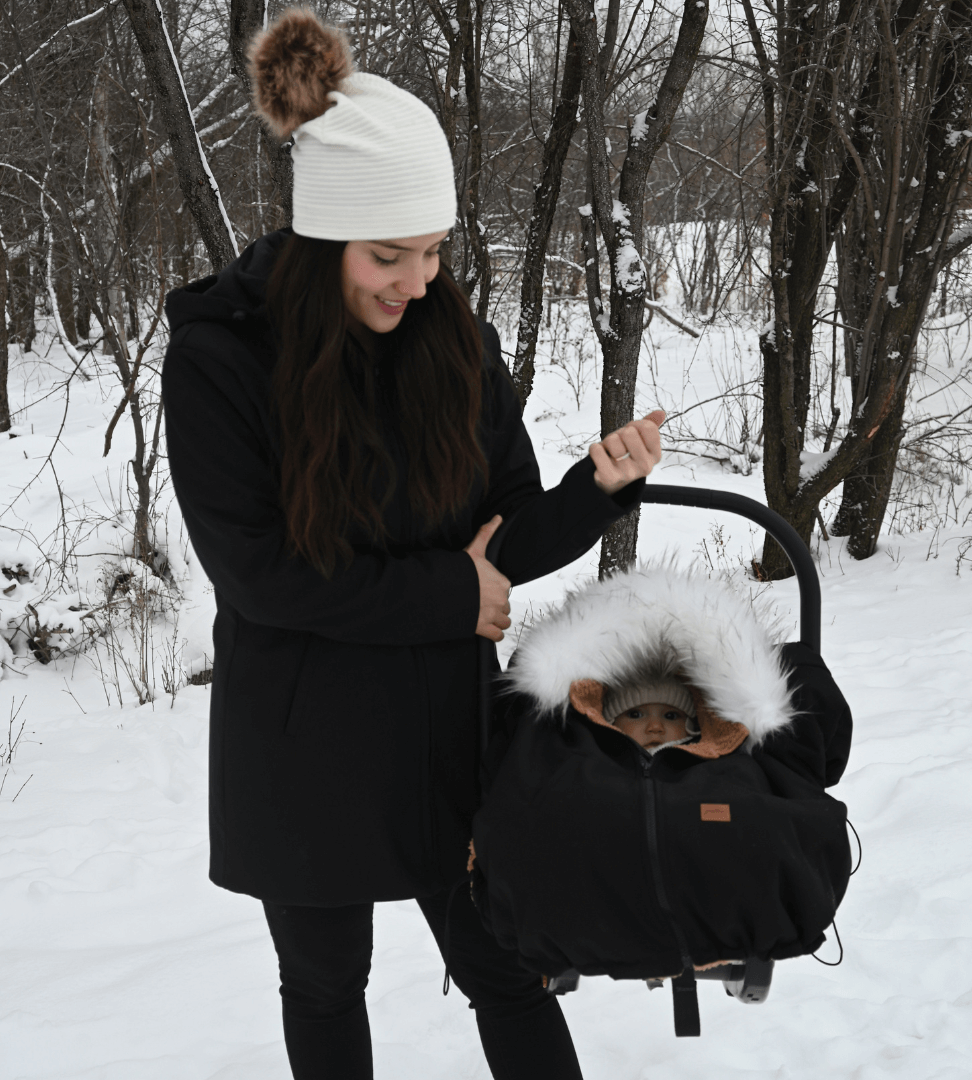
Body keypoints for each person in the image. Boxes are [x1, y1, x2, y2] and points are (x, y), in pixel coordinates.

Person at [160, 9, 667, 1079]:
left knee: (509, 967)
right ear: (319, 240)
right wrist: (452, 595)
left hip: (444, 735)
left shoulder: (455, 343)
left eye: (434, 249)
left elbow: (507, 537)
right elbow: (260, 574)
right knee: (325, 983)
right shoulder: (224, 359)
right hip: (299, 744)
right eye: (390, 255)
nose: (420, 279)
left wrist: (597, 488)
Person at [604, 677, 699, 754]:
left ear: (690, 726)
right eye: (635, 715)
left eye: (670, 716)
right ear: (610, 724)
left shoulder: (704, 771)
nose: (655, 727)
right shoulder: (596, 765)